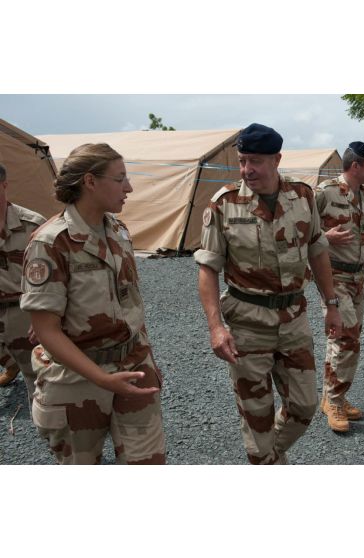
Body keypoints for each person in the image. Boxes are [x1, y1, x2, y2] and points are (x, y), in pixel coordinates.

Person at [195, 123, 342, 464]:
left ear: (277, 160)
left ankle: (266, 456)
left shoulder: (303, 197)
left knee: (304, 406)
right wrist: (216, 327)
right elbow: (207, 269)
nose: (248, 169)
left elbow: (318, 251)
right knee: (256, 415)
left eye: (256, 161)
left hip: (293, 319)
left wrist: (331, 304)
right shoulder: (225, 205)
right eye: (243, 160)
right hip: (247, 323)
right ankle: (264, 458)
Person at [20, 143, 165, 465]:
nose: (129, 187)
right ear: (90, 182)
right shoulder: (51, 243)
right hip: (76, 380)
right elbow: (46, 330)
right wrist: (101, 379)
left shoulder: (118, 231)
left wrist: (149, 362)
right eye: (120, 178)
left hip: (133, 368)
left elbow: (131, 303)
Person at [313, 142, 364, 432]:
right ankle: (336, 402)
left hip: (358, 277)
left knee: (340, 339)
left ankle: (330, 397)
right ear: (356, 166)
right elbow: (301, 231)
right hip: (334, 277)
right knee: (348, 337)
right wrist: (325, 236)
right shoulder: (324, 192)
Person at [0, 162, 46, 399]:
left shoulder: (33, 226)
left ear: (4, 185)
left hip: (23, 311)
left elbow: (57, 277)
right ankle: (10, 363)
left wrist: (44, 317)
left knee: (38, 383)